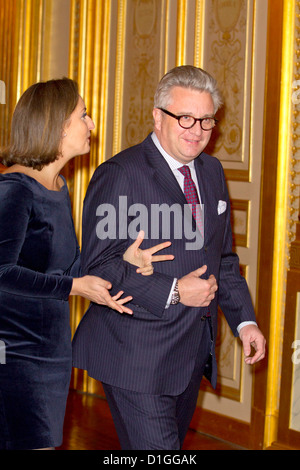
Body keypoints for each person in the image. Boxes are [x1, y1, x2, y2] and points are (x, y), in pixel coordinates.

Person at [72, 65, 266, 450]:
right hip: (135, 355)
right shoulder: (121, 174)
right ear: (158, 117)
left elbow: (222, 258)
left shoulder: (210, 171)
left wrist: (245, 322)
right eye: (185, 118)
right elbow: (98, 266)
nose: (197, 130)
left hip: (188, 356)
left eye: (207, 120)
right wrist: (175, 291)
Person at [0, 78, 173, 450]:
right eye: (84, 115)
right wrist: (75, 287)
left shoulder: (58, 186)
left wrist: (122, 257)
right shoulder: (14, 188)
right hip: (13, 353)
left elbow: (66, 265)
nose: (92, 124)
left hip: (50, 351)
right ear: (57, 124)